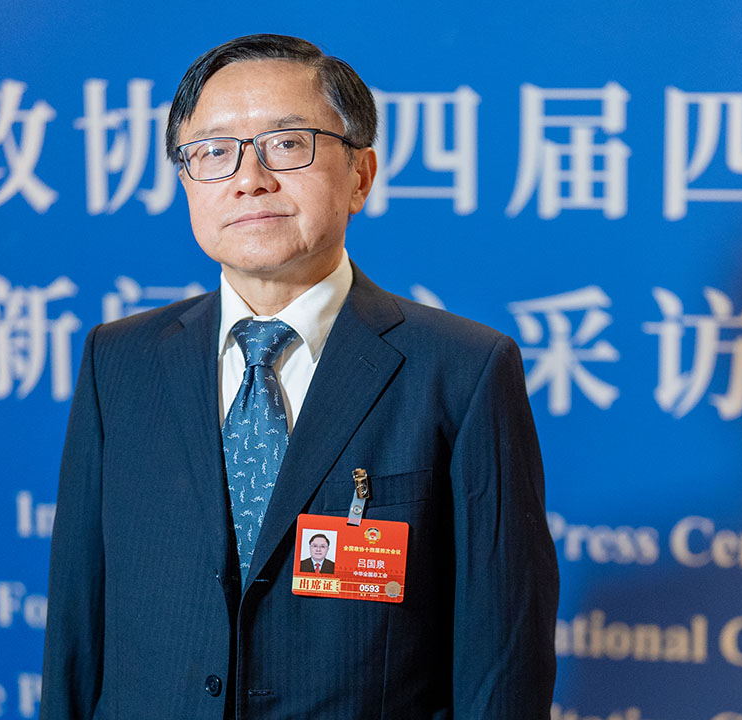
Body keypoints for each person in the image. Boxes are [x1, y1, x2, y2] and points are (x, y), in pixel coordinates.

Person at [41, 33, 558, 720]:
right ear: (186, 180)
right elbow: (76, 629)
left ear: (361, 175)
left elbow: (503, 659)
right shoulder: (119, 361)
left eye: (287, 144)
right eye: (214, 151)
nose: (249, 179)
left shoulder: (461, 371)